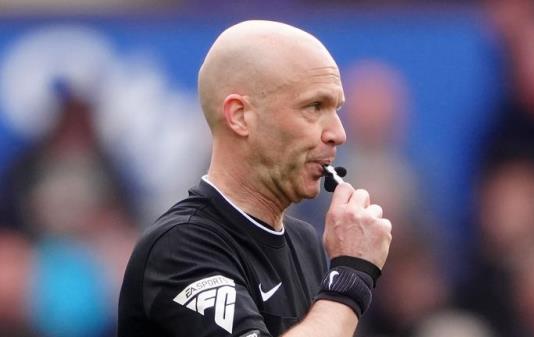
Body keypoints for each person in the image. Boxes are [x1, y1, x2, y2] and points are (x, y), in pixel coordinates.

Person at [117, 20, 392, 337]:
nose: (338, 134)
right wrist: (350, 276)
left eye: (336, 109)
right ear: (240, 116)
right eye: (314, 106)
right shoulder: (181, 248)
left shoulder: (306, 245)